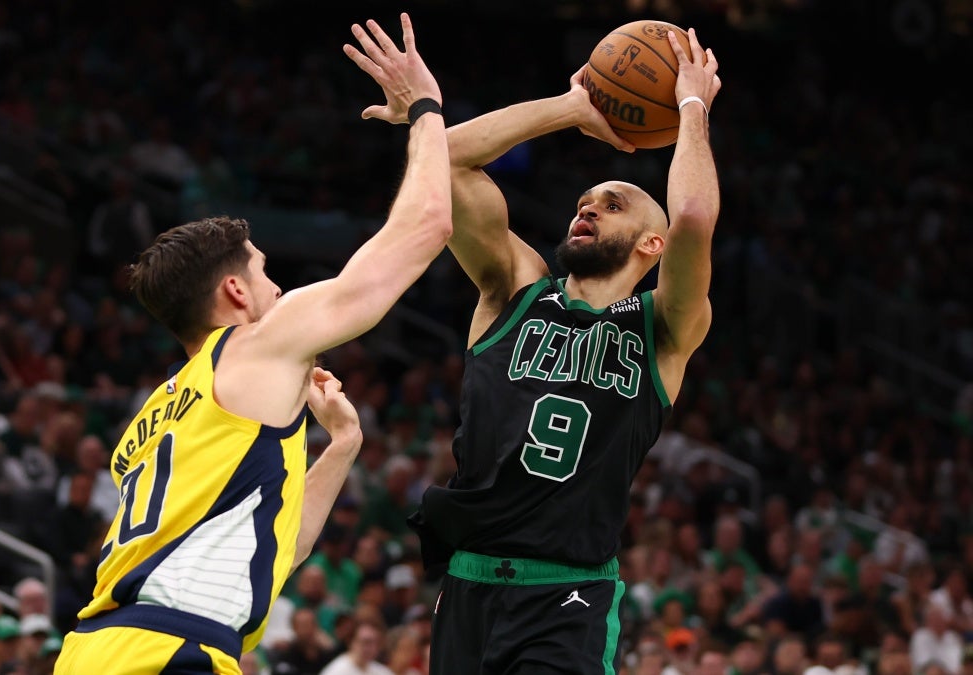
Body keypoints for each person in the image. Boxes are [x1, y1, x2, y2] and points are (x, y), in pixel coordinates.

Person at [54, 13, 451, 675]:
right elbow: (427, 226)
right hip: (171, 652)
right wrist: (427, 107)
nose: (278, 288)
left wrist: (343, 447)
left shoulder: (156, 419)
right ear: (236, 293)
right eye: (265, 272)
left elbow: (275, 550)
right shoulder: (257, 344)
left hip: (97, 652)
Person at [395, 26, 722, 674]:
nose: (589, 207)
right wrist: (572, 108)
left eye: (613, 202)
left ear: (650, 245)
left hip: (567, 595)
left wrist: (691, 109)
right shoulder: (512, 290)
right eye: (583, 201)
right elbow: (444, 159)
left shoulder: (659, 329)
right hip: (469, 583)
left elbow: (692, 217)